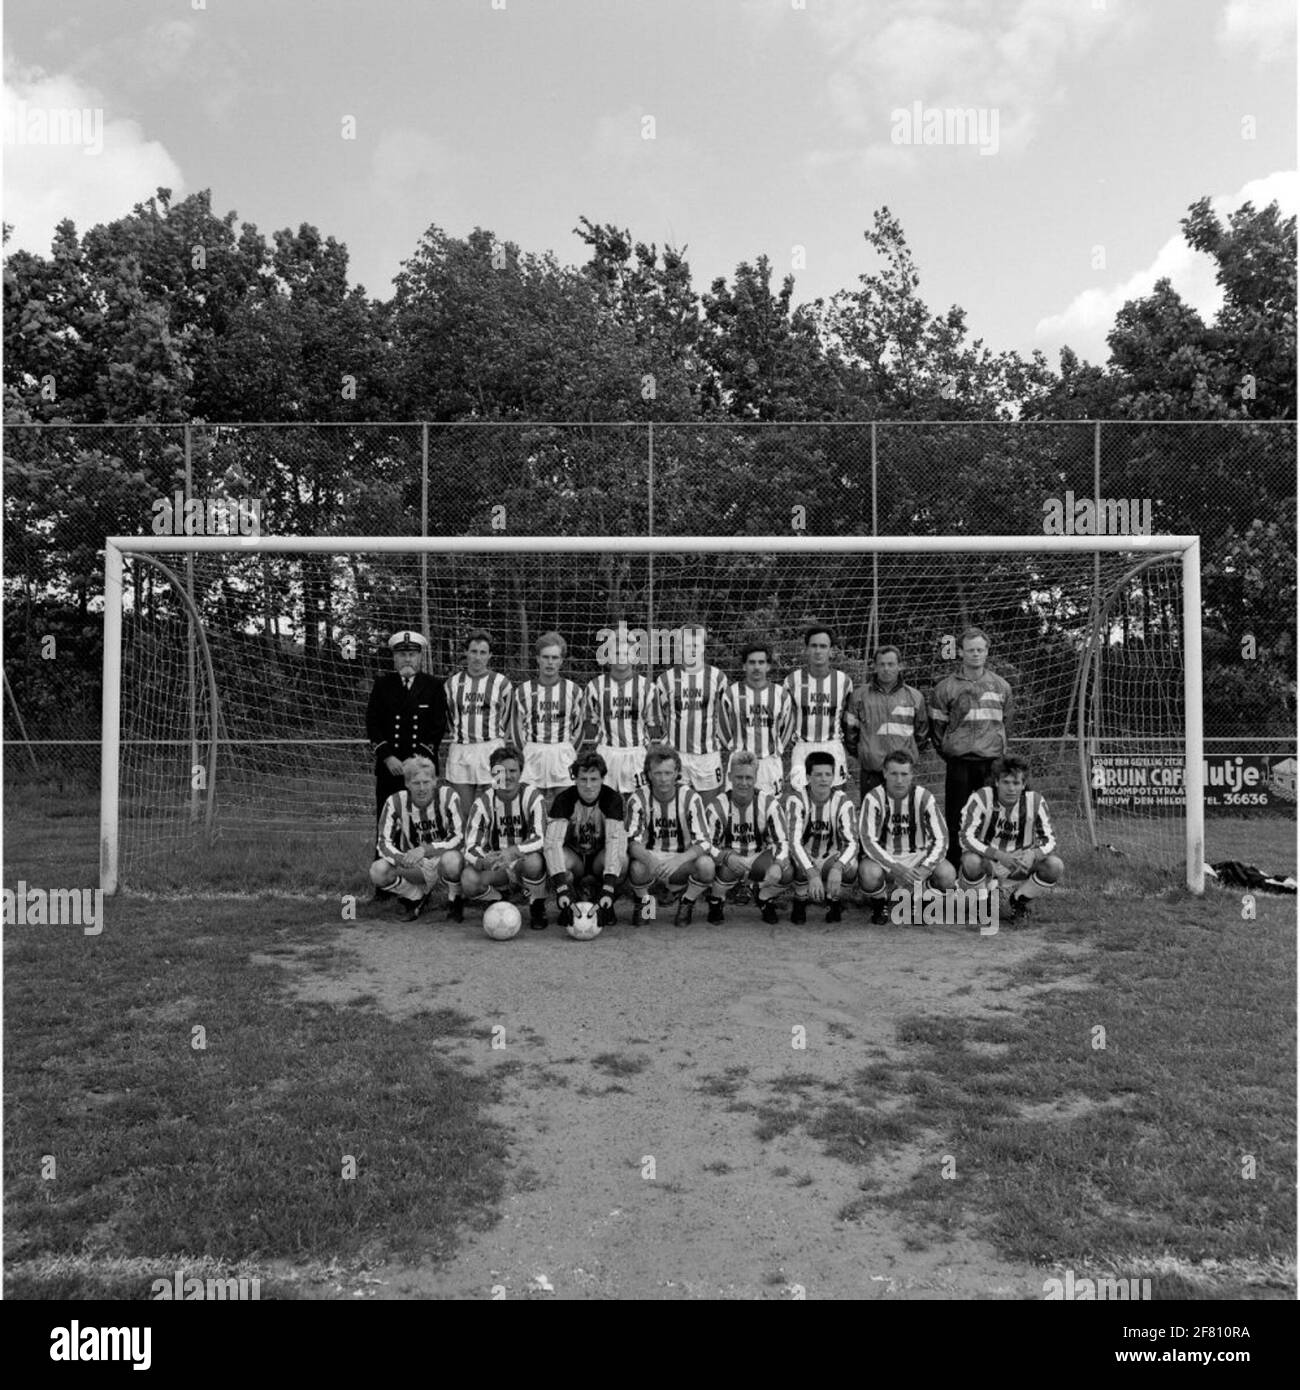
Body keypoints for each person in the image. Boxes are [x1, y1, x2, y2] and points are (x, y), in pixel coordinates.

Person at [930, 627, 1014, 869]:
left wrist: (995, 749)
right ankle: (955, 867)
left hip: (991, 763)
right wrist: (951, 751)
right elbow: (938, 729)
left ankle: (988, 867)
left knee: (990, 816)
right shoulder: (945, 687)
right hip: (959, 763)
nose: (975, 654)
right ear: (961, 652)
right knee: (958, 817)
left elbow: (1007, 724)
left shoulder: (1001, 687)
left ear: (987, 652)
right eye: (970, 650)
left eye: (980, 649)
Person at [958, 754, 1063, 922]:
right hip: (988, 864)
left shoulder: (1035, 802)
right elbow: (966, 837)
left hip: (1019, 865)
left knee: (1055, 865)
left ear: (1023, 785)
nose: (1011, 788)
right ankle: (981, 904)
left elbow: (1050, 840)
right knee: (970, 861)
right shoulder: (981, 798)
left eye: (1016, 783)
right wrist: (998, 856)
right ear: (997, 782)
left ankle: (1018, 902)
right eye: (1006, 782)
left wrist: (1033, 854)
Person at [857, 750, 955, 925]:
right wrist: (895, 868)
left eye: (904, 774)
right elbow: (867, 840)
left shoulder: (924, 797)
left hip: (918, 857)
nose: (899, 780)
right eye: (894, 773)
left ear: (912, 775)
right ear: (885, 773)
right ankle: (881, 905)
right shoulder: (873, 798)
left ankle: (923, 903)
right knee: (868, 873)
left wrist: (926, 867)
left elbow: (942, 838)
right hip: (886, 859)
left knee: (947, 874)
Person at [460, 744, 550, 928]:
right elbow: (470, 846)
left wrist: (513, 851)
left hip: (522, 860)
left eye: (512, 770)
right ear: (493, 773)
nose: (507, 776)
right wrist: (483, 861)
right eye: (501, 771)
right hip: (496, 864)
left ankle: (537, 904)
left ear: (520, 772)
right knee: (469, 880)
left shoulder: (532, 797)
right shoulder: (483, 802)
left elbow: (540, 838)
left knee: (534, 862)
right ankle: (499, 900)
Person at [625, 745, 716, 926]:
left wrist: (678, 860)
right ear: (649, 774)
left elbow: (704, 842)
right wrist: (651, 861)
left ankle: (687, 901)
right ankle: (646, 904)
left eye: (668, 773)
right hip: (652, 861)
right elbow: (631, 842)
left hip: (681, 862)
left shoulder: (691, 798)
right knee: (636, 868)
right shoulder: (638, 799)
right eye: (658, 773)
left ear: (677, 773)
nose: (663, 779)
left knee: (706, 866)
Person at [370, 756, 465, 922]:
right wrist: (403, 858)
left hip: (443, 859)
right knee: (378, 871)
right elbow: (383, 843)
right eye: (416, 783)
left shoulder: (448, 796)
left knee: (452, 860)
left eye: (426, 782)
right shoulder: (395, 802)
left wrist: (424, 850)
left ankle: (455, 900)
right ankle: (415, 896)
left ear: (435, 781)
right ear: (407, 784)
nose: (422, 788)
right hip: (416, 864)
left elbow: (459, 837)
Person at [365, 631, 448, 820]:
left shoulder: (433, 685)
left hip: (422, 768)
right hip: (390, 766)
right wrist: (387, 757)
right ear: (394, 658)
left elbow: (438, 726)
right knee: (388, 818)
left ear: (419, 657)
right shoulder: (382, 684)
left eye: (412, 654)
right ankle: (386, 851)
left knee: (423, 820)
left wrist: (416, 762)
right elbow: (372, 722)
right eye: (402, 655)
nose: (407, 659)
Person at [704, 749, 793, 924]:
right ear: (729, 777)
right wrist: (725, 856)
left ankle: (763, 896)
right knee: (641, 872)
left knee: (786, 870)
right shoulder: (716, 806)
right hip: (656, 860)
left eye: (748, 778)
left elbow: (781, 841)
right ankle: (704, 900)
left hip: (757, 856)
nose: (743, 783)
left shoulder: (768, 803)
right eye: (739, 777)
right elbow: (706, 844)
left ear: (755, 778)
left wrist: (777, 864)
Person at [544, 751, 627, 928]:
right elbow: (552, 844)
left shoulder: (612, 799)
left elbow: (615, 842)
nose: (588, 785)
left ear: (602, 779)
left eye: (594, 779)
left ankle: (606, 900)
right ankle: (569, 901)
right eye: (583, 779)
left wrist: (609, 887)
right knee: (558, 859)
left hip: (598, 859)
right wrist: (561, 887)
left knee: (624, 860)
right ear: (575, 779)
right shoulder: (564, 799)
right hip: (575, 859)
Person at [650, 624, 729, 799]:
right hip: (676, 755)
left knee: (709, 810)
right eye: (686, 645)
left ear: (703, 647)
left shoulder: (718, 678)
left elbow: (723, 717)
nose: (691, 649)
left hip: (708, 756)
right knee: (676, 807)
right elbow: (660, 717)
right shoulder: (665, 680)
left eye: (696, 645)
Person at [444, 630, 514, 822]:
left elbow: (508, 721)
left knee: (499, 806)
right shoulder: (451, 684)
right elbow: (450, 717)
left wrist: (499, 745)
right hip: (461, 751)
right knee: (463, 812)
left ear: (490, 655)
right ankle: (469, 849)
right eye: (473, 651)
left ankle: (498, 849)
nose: (477, 657)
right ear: (466, 653)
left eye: (483, 652)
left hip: (494, 751)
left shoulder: (502, 684)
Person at [512, 632, 585, 814]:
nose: (550, 662)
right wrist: (525, 752)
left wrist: (568, 751)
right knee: (532, 808)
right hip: (533, 752)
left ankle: (560, 841)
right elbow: (516, 728)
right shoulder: (523, 691)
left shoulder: (573, 691)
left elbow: (580, 728)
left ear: (561, 660)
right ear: (538, 659)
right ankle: (536, 840)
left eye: (555, 657)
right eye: (546, 657)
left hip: (562, 752)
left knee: (565, 810)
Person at [844, 645, 929, 796]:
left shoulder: (915, 697)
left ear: (900, 666)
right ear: (875, 667)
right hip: (872, 771)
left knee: (902, 817)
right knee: (872, 817)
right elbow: (850, 733)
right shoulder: (859, 696)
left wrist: (911, 754)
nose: (886, 669)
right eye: (881, 664)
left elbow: (921, 734)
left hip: (902, 772)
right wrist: (865, 753)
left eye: (891, 664)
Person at [785, 750, 858, 924]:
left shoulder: (843, 801)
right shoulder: (796, 800)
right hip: (804, 855)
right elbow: (794, 843)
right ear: (808, 777)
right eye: (818, 775)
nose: (823, 779)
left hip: (829, 857)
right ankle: (800, 899)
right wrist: (810, 871)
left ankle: (834, 900)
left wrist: (838, 867)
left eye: (827, 774)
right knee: (790, 863)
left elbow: (853, 843)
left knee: (852, 867)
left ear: (833, 777)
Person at [720, 642, 796, 798]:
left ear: (768, 666)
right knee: (737, 811)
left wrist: (776, 748)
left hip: (769, 763)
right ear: (744, 666)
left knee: (770, 810)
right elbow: (722, 726)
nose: (756, 667)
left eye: (761, 662)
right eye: (752, 662)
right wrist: (735, 747)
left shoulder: (781, 695)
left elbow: (787, 726)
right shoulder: (731, 693)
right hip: (739, 763)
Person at [785, 625, 853, 793]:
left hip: (832, 745)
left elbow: (848, 718)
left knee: (836, 801)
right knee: (801, 802)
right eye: (814, 646)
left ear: (831, 651)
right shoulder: (792, 681)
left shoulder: (844, 682)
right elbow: (784, 719)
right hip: (803, 747)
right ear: (806, 649)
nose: (818, 651)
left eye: (823, 646)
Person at [584, 644, 655, 796]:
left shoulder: (648, 687)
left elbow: (653, 724)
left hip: (636, 754)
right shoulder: (595, 686)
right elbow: (590, 723)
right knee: (604, 803)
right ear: (608, 656)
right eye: (616, 652)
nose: (622, 657)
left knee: (638, 802)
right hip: (606, 753)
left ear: (635, 656)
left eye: (626, 652)